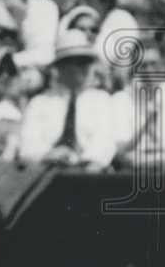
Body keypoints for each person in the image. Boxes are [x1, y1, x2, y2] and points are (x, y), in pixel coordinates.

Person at [17, 30, 119, 169]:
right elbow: (28, 146)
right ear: (60, 67)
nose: (84, 68)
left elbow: (104, 142)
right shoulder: (39, 103)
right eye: (77, 62)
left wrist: (86, 163)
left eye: (87, 61)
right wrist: (49, 155)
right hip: (47, 173)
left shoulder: (101, 101)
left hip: (90, 176)